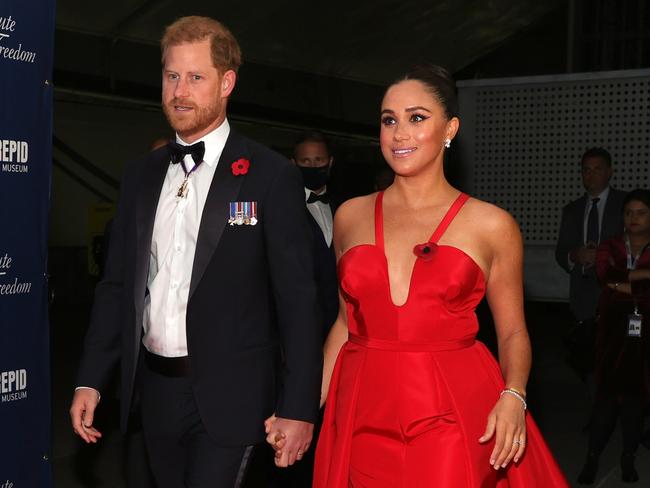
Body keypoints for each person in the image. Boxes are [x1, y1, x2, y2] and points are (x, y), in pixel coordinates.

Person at [267, 64, 568, 486]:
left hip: (448, 409)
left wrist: (513, 394)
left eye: (417, 117)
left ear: (451, 128)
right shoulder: (351, 215)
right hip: (360, 410)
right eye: (389, 120)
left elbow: (514, 332)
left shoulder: (491, 224)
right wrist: (301, 407)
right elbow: (344, 323)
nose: (399, 133)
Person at [69, 16, 322, 488]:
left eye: (195, 77)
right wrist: (90, 378)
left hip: (234, 400)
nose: (179, 91)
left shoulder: (269, 176)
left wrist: (298, 407)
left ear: (227, 83)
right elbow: (118, 285)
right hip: (152, 395)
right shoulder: (141, 176)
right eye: (171, 76)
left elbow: (298, 303)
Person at [577, 189, 650, 485]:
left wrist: (623, 283)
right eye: (629, 212)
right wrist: (645, 277)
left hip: (645, 338)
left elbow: (617, 281)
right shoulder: (611, 244)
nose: (633, 218)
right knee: (605, 401)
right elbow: (606, 276)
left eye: (641, 212)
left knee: (636, 403)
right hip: (611, 335)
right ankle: (592, 457)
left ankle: (628, 458)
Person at [556, 148, 626, 379]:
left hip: (617, 293)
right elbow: (561, 252)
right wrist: (576, 255)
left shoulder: (626, 205)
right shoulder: (572, 210)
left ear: (609, 173)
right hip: (582, 295)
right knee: (586, 364)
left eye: (597, 169)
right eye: (586, 170)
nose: (591, 175)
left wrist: (604, 257)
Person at [292, 131, 340, 336]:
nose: (312, 166)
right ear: (294, 164)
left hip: (340, 322)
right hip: (298, 323)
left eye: (318, 160)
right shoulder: (282, 207)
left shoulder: (345, 207)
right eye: (306, 161)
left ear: (329, 162)